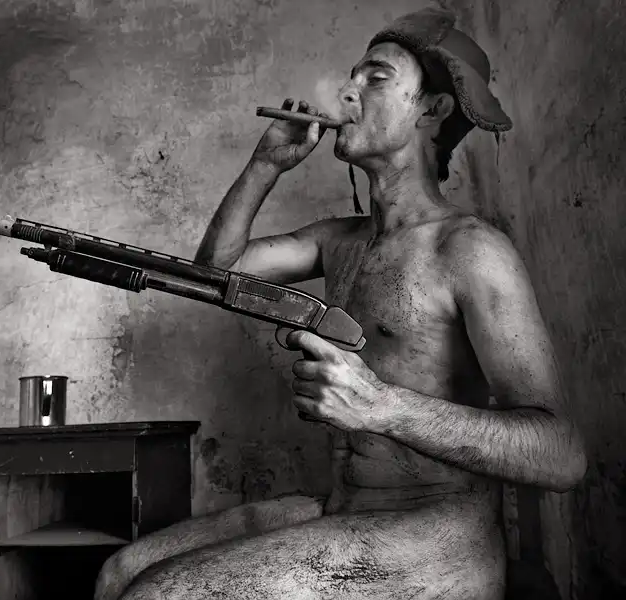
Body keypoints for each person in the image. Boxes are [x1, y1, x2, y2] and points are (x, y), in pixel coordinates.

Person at [93, 8, 587, 600]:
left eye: (375, 78)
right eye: (351, 77)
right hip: (346, 507)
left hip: (437, 530)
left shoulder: (470, 249)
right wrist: (264, 166)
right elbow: (217, 271)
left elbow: (561, 455)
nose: (347, 90)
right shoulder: (340, 240)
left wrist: (381, 406)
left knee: (157, 594)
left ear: (431, 110)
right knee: (120, 572)